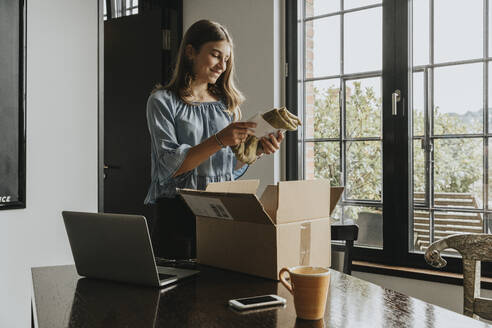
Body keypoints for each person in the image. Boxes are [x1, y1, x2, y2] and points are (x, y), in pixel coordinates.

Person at [144, 19, 284, 260]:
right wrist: (219, 139)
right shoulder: (161, 101)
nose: (222, 65)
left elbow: (227, 168)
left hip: (221, 210)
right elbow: (170, 167)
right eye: (215, 55)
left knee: (219, 291)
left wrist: (257, 151)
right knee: (176, 296)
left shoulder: (226, 105)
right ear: (190, 52)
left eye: (226, 59)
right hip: (176, 215)